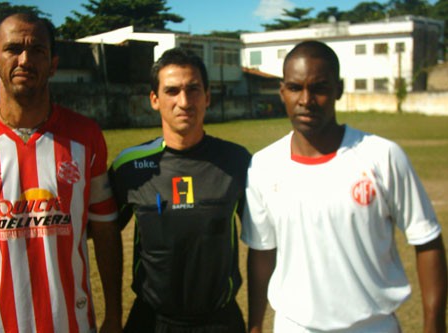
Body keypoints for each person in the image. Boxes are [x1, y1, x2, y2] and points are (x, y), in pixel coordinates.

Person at [241, 40, 447, 333]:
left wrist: (435, 325)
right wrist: (256, 325)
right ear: (282, 92)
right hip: (295, 327)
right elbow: (262, 252)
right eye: (296, 87)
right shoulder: (263, 166)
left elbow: (427, 241)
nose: (306, 99)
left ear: (338, 89)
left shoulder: (383, 156)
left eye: (320, 88)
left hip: (374, 327)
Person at [0, 13, 122, 333]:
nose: (25, 59)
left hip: (71, 324)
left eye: (37, 50)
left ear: (53, 64)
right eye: (13, 49)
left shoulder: (86, 137)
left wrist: (113, 315)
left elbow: (106, 231)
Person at [108, 47, 251, 332]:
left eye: (193, 89)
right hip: (152, 321)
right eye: (172, 91)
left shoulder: (238, 161)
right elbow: (99, 235)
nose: (184, 101)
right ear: (154, 99)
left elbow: (265, 243)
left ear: (207, 97)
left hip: (220, 321)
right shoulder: (128, 166)